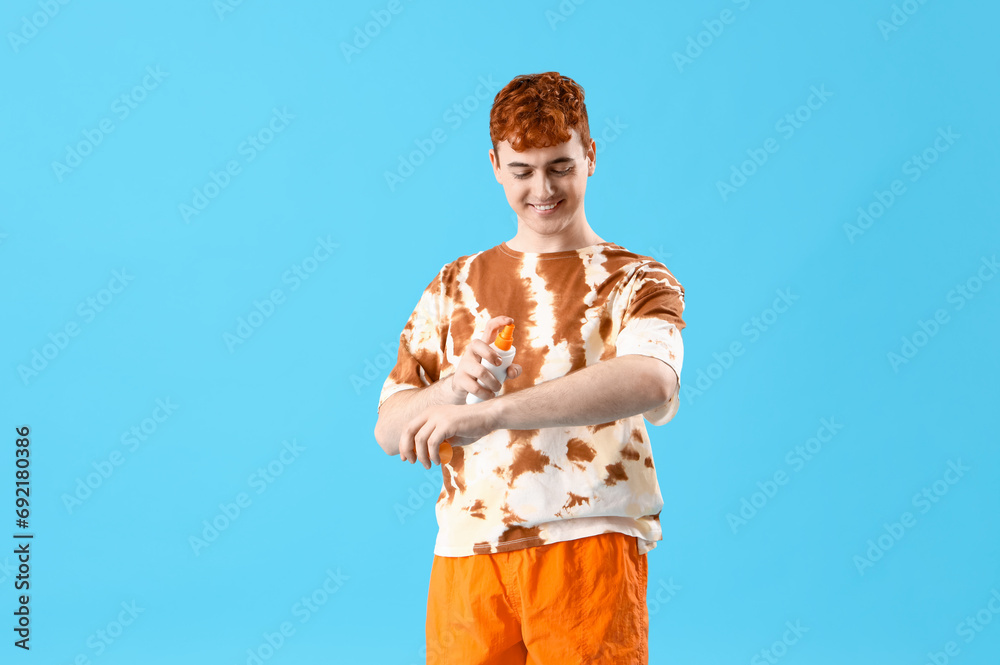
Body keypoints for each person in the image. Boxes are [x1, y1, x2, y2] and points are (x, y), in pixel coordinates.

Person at [373, 71, 686, 665]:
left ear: (589, 156)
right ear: (495, 164)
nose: (542, 188)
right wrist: (454, 387)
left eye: (560, 166)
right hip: (468, 553)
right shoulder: (453, 285)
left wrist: (493, 414)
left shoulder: (637, 279)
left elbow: (651, 378)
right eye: (522, 170)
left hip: (588, 542)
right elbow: (390, 429)